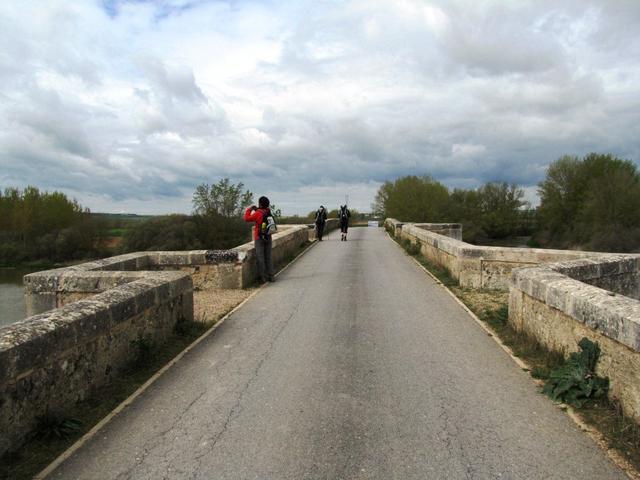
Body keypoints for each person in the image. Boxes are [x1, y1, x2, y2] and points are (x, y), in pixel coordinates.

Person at [244, 196, 276, 283]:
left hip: (259, 238)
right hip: (268, 236)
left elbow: (246, 218)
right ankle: (271, 276)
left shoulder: (258, 213)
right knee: (268, 257)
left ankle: (263, 277)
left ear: (260, 204)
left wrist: (250, 209)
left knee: (260, 258)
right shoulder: (268, 211)